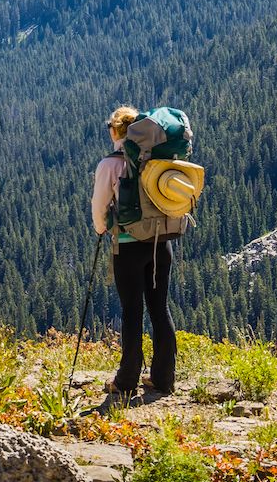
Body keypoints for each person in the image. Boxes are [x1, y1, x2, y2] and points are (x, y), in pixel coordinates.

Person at [91, 106, 177, 395]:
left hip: (127, 247)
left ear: (116, 130)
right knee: (159, 309)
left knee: (131, 312)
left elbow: (99, 208)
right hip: (159, 244)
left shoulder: (110, 164)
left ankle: (126, 380)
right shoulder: (156, 160)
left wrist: (101, 228)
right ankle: (163, 379)